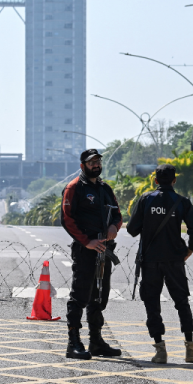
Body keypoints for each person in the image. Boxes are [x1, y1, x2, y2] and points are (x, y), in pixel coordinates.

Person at [126, 164, 193, 364]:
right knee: (182, 302)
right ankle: (190, 350)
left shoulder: (146, 199)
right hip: (174, 260)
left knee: (152, 304)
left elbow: (132, 229)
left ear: (155, 181)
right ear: (174, 180)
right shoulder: (182, 202)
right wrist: (190, 249)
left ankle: (160, 350)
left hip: (150, 260)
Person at [61, 149, 123, 360]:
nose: (96, 165)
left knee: (99, 297)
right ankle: (73, 343)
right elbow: (67, 219)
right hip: (85, 250)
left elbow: (117, 214)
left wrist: (114, 226)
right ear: (83, 166)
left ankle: (96, 341)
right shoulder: (74, 187)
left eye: (98, 162)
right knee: (80, 296)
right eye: (91, 162)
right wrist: (87, 242)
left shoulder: (105, 188)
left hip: (104, 250)